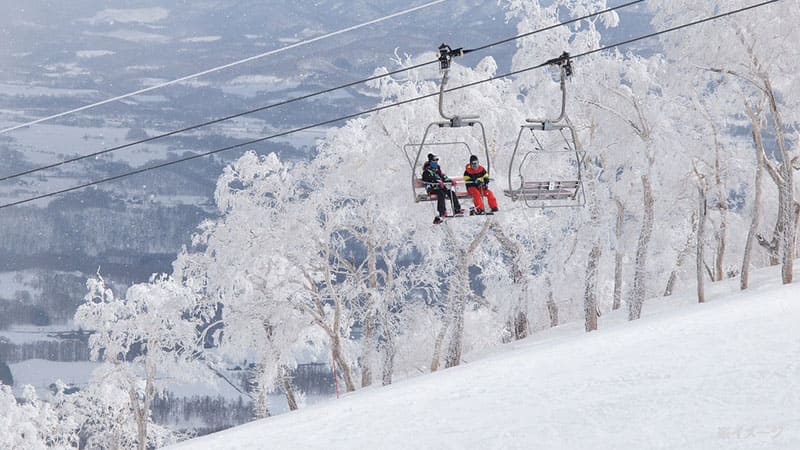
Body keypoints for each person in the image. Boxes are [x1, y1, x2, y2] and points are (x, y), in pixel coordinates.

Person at [422, 153, 464, 220]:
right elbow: (427, 180)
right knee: (441, 193)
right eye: (434, 161)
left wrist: (450, 181)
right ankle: (442, 211)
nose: (435, 163)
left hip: (440, 188)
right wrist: (437, 182)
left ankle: (457, 209)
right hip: (433, 188)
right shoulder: (427, 172)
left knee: (451, 192)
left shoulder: (437, 170)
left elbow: (443, 177)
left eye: (436, 161)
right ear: (430, 162)